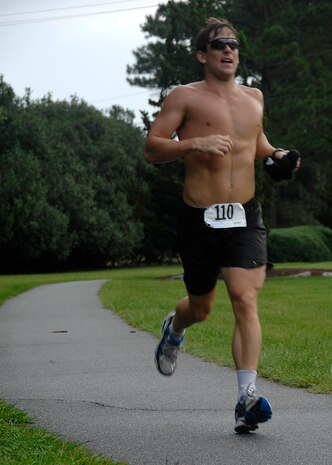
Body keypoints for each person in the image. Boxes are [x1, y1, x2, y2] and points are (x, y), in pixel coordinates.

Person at [144, 17, 300, 434]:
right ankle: (173, 330)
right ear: (202, 55)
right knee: (201, 307)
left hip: (245, 215)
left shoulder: (254, 98)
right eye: (219, 45)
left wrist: (278, 157)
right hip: (199, 218)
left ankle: (246, 398)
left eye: (233, 44)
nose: (229, 50)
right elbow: (151, 147)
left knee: (245, 297)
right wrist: (194, 142)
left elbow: (258, 145)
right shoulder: (185, 97)